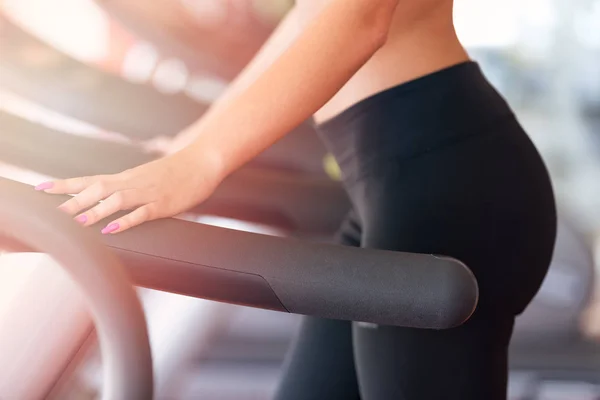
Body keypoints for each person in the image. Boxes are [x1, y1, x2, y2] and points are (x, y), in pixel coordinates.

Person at [37, 1, 557, 398]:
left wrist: (198, 164)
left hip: (447, 189)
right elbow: (310, 17)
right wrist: (188, 144)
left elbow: (360, 19)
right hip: (399, 182)